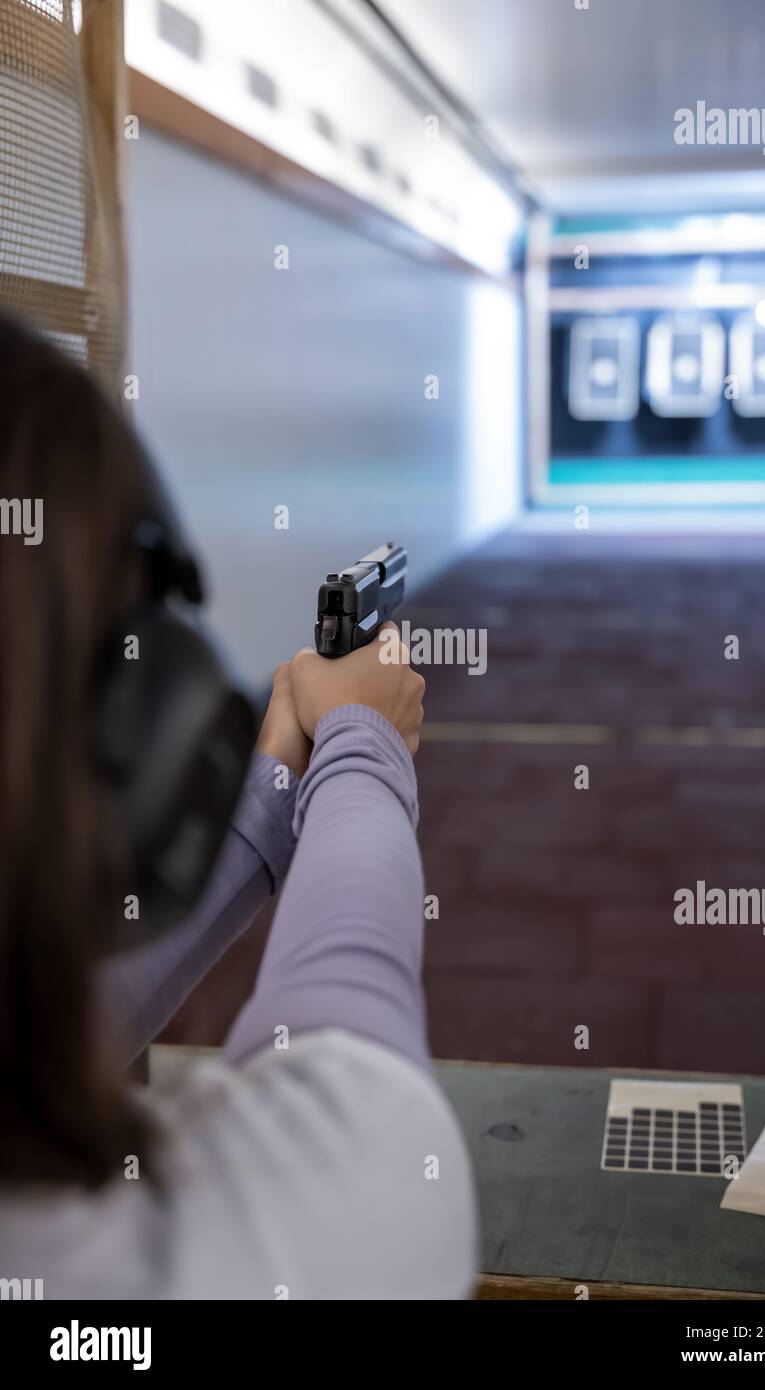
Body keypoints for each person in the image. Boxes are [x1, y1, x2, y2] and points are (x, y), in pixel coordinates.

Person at [0, 315, 476, 1300]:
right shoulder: (242, 1249)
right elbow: (357, 1062)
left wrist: (273, 787)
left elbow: (45, 1010)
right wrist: (362, 738)